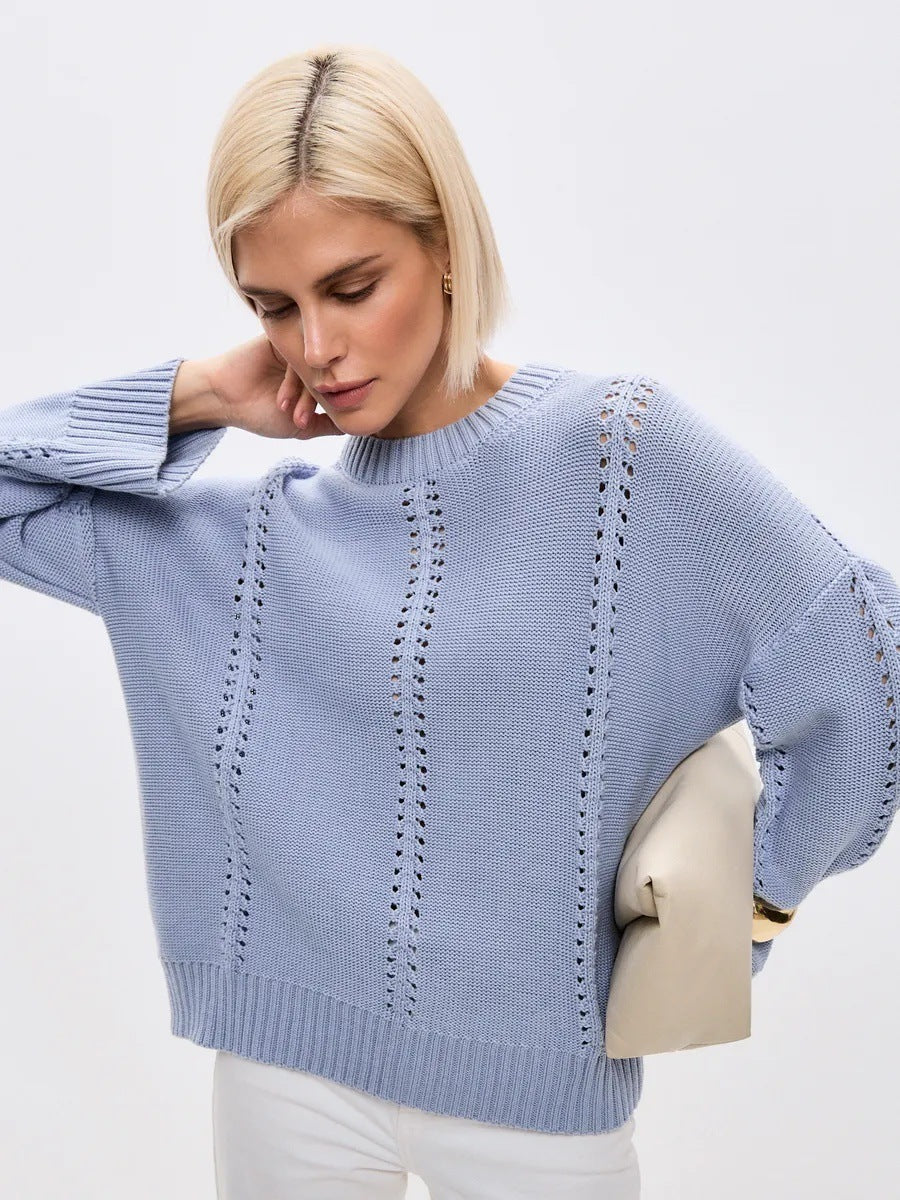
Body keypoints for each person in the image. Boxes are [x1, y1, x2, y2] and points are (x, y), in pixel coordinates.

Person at [3, 42, 899, 1200]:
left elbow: (861, 658)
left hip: (538, 1107)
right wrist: (206, 391)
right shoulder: (249, 538)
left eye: (350, 287)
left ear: (444, 249)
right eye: (273, 306)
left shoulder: (617, 459)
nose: (314, 347)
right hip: (286, 1079)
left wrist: (753, 908)